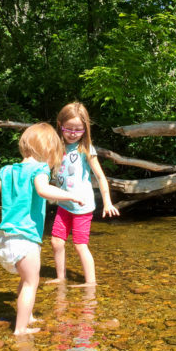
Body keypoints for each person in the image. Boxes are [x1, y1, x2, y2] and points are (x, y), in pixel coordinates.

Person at [0, 122, 85, 336]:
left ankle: (27, 316)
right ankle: (20, 330)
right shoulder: (39, 169)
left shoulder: (7, 170)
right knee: (30, 283)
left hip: (6, 240)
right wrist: (71, 195)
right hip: (26, 241)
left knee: (24, 280)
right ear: (47, 151)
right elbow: (42, 190)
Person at [48, 102, 120, 287]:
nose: (73, 133)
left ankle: (90, 283)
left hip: (82, 207)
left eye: (78, 130)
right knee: (56, 242)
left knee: (80, 245)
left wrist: (107, 202)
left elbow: (101, 177)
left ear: (85, 129)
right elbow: (46, 171)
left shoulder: (85, 149)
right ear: (60, 126)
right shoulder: (57, 146)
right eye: (69, 129)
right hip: (64, 205)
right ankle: (61, 277)